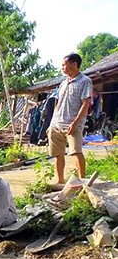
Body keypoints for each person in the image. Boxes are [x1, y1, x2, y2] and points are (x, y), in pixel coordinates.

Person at [48, 53, 93, 184]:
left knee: (76, 152)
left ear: (74, 64)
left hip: (73, 124)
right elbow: (58, 104)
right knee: (58, 153)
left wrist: (75, 123)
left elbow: (86, 103)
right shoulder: (63, 83)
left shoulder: (85, 81)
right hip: (56, 123)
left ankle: (82, 181)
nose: (62, 68)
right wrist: (51, 124)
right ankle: (59, 179)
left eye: (64, 65)